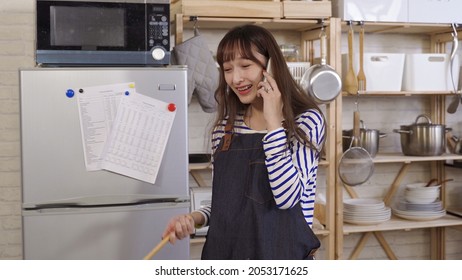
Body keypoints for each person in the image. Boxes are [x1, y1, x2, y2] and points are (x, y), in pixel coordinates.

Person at [162, 24, 326, 260]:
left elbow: (287, 198)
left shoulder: (306, 122)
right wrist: (193, 218)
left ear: (271, 66)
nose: (235, 78)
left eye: (246, 66)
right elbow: (227, 206)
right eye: (227, 69)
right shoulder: (224, 130)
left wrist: (273, 122)